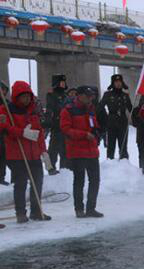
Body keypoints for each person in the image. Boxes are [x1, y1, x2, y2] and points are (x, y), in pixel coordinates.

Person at [0, 81, 51, 223]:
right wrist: (22, 133)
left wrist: (44, 151)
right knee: (20, 183)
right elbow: (3, 127)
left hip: (33, 153)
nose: (27, 99)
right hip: (17, 153)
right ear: (17, 97)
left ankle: (36, 211)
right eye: (23, 96)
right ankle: (20, 213)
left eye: (28, 96)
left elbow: (39, 133)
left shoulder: (32, 111)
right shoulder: (6, 110)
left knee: (38, 181)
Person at [60, 86, 103, 219]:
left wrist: (97, 132)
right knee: (79, 181)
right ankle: (79, 209)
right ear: (79, 95)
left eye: (91, 97)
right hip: (77, 151)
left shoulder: (90, 109)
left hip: (92, 151)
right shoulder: (68, 110)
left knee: (95, 180)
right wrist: (84, 135)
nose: (90, 99)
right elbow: (66, 129)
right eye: (88, 96)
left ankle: (91, 208)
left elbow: (94, 125)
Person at [98, 74, 132, 160]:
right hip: (111, 123)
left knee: (123, 147)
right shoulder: (107, 94)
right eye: (116, 82)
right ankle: (110, 166)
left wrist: (129, 97)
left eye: (120, 82)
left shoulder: (125, 95)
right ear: (113, 83)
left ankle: (125, 167)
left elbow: (130, 108)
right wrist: (106, 118)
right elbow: (100, 108)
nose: (118, 84)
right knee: (111, 147)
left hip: (123, 123)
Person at [45, 74, 70, 174]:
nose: (63, 84)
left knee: (64, 150)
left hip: (65, 127)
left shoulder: (66, 96)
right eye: (61, 82)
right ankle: (51, 169)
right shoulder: (52, 95)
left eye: (64, 82)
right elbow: (50, 109)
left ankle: (64, 169)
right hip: (56, 126)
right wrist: (48, 122)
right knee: (53, 150)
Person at [131, 96, 144, 175]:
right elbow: (134, 123)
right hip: (141, 136)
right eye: (143, 102)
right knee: (142, 155)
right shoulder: (136, 110)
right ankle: (142, 173)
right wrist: (141, 120)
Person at [0, 81, 9, 185]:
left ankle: (1, 178)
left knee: (4, 158)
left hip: (5, 135)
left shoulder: (7, 104)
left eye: (3, 89)